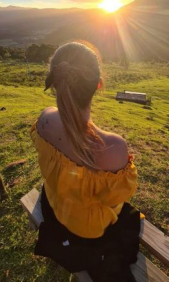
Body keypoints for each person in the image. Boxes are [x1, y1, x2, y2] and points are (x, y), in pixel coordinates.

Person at [30, 42, 141, 282]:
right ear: (98, 85)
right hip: (88, 231)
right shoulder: (113, 147)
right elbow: (115, 199)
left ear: (56, 82)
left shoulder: (44, 120)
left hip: (54, 206)